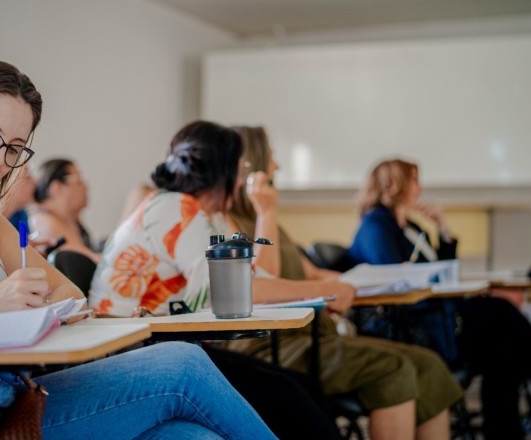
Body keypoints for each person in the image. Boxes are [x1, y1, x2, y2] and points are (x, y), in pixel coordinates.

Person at [0, 60, 275, 440]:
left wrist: (45, 310)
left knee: (190, 436)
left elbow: (69, 297)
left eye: (14, 149)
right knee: (183, 364)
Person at [91, 121, 464, 440]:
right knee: (292, 397)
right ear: (226, 172)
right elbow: (247, 289)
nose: (244, 180)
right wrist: (324, 288)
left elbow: (254, 277)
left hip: (168, 344)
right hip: (142, 351)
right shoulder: (180, 210)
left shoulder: (190, 211)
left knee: (296, 393)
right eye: (239, 170)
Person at [347, 158, 531, 438]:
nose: (420, 188)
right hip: (417, 329)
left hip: (439, 319)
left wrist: (442, 228)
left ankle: (524, 420)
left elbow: (444, 271)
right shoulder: (376, 226)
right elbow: (399, 284)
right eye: (414, 181)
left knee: (504, 349)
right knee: (500, 311)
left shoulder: (409, 227)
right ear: (398, 184)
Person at [29, 158, 101, 262]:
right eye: (78, 180)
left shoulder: (71, 220)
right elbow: (88, 259)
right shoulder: (41, 220)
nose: (85, 186)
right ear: (56, 187)